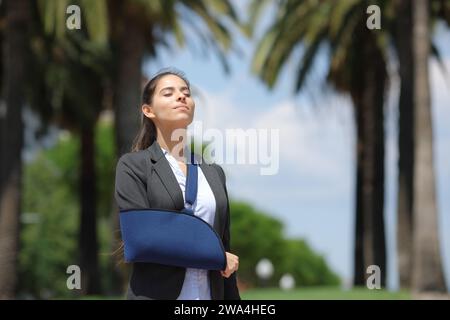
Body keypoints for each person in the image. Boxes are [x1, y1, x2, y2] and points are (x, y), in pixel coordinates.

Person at [114, 69, 240, 300]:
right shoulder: (133, 166)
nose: (181, 97)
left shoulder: (213, 173)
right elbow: (141, 241)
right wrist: (215, 256)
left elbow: (225, 249)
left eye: (186, 93)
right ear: (148, 110)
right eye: (168, 93)